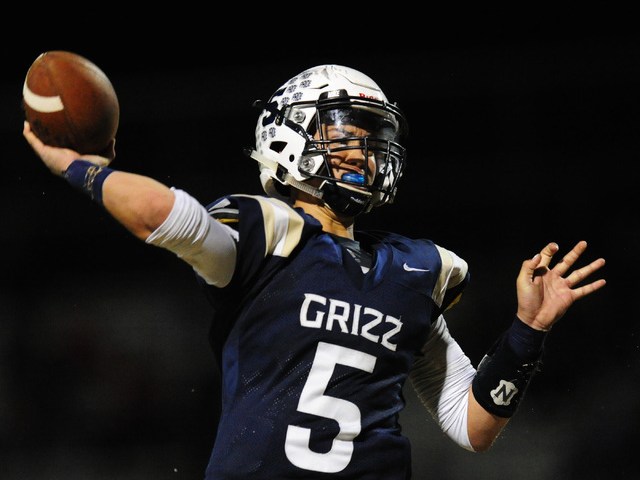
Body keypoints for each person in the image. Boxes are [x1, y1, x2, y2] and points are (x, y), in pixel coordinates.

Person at [23, 64, 606, 479]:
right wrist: (80, 168)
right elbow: (159, 214)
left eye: (372, 138)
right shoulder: (265, 236)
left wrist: (527, 331)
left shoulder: (418, 269)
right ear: (289, 134)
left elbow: (470, 424)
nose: (363, 153)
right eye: (344, 134)